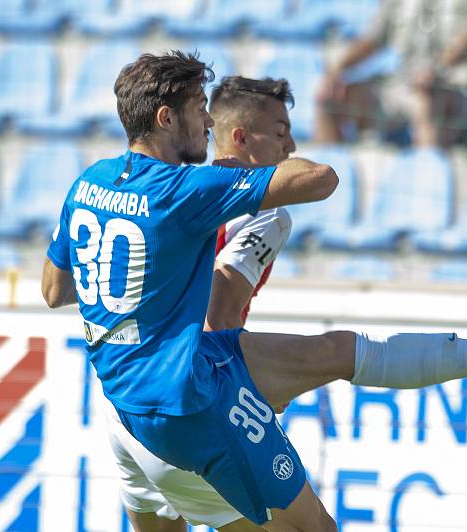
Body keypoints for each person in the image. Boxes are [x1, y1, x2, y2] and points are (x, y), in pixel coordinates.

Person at [42, 51, 467, 532]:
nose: (205, 122)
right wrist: (241, 391)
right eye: (196, 112)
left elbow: (55, 288)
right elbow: (316, 184)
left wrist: (143, 282)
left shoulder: (88, 182)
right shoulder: (201, 195)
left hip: (121, 407)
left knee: (335, 351)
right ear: (167, 118)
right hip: (189, 400)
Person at [108, 76, 298, 532]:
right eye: (280, 131)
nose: (291, 145)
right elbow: (221, 314)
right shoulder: (265, 211)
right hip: (195, 400)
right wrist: (252, 397)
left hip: (132, 403)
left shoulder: (173, 188)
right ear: (241, 137)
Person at [314, 0, 467, 147]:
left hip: (460, 87)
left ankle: (427, 181)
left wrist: (436, 69)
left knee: (425, 99)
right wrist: (335, 71)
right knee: (329, 97)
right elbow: (372, 39)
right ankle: (325, 186)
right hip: (404, 83)